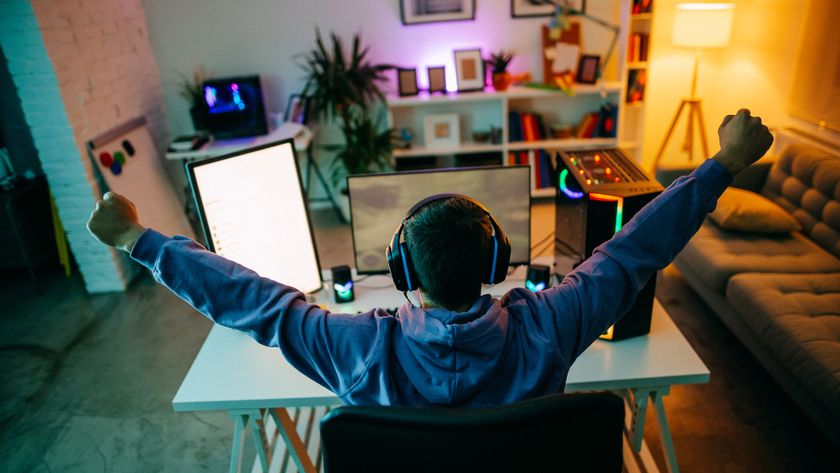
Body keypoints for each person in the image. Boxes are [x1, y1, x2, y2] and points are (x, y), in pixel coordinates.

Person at [87, 109, 773, 407]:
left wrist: (140, 241)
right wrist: (722, 165)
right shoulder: (552, 325)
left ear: (404, 271)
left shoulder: (352, 344)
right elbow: (631, 254)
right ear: (497, 259)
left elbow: (253, 302)